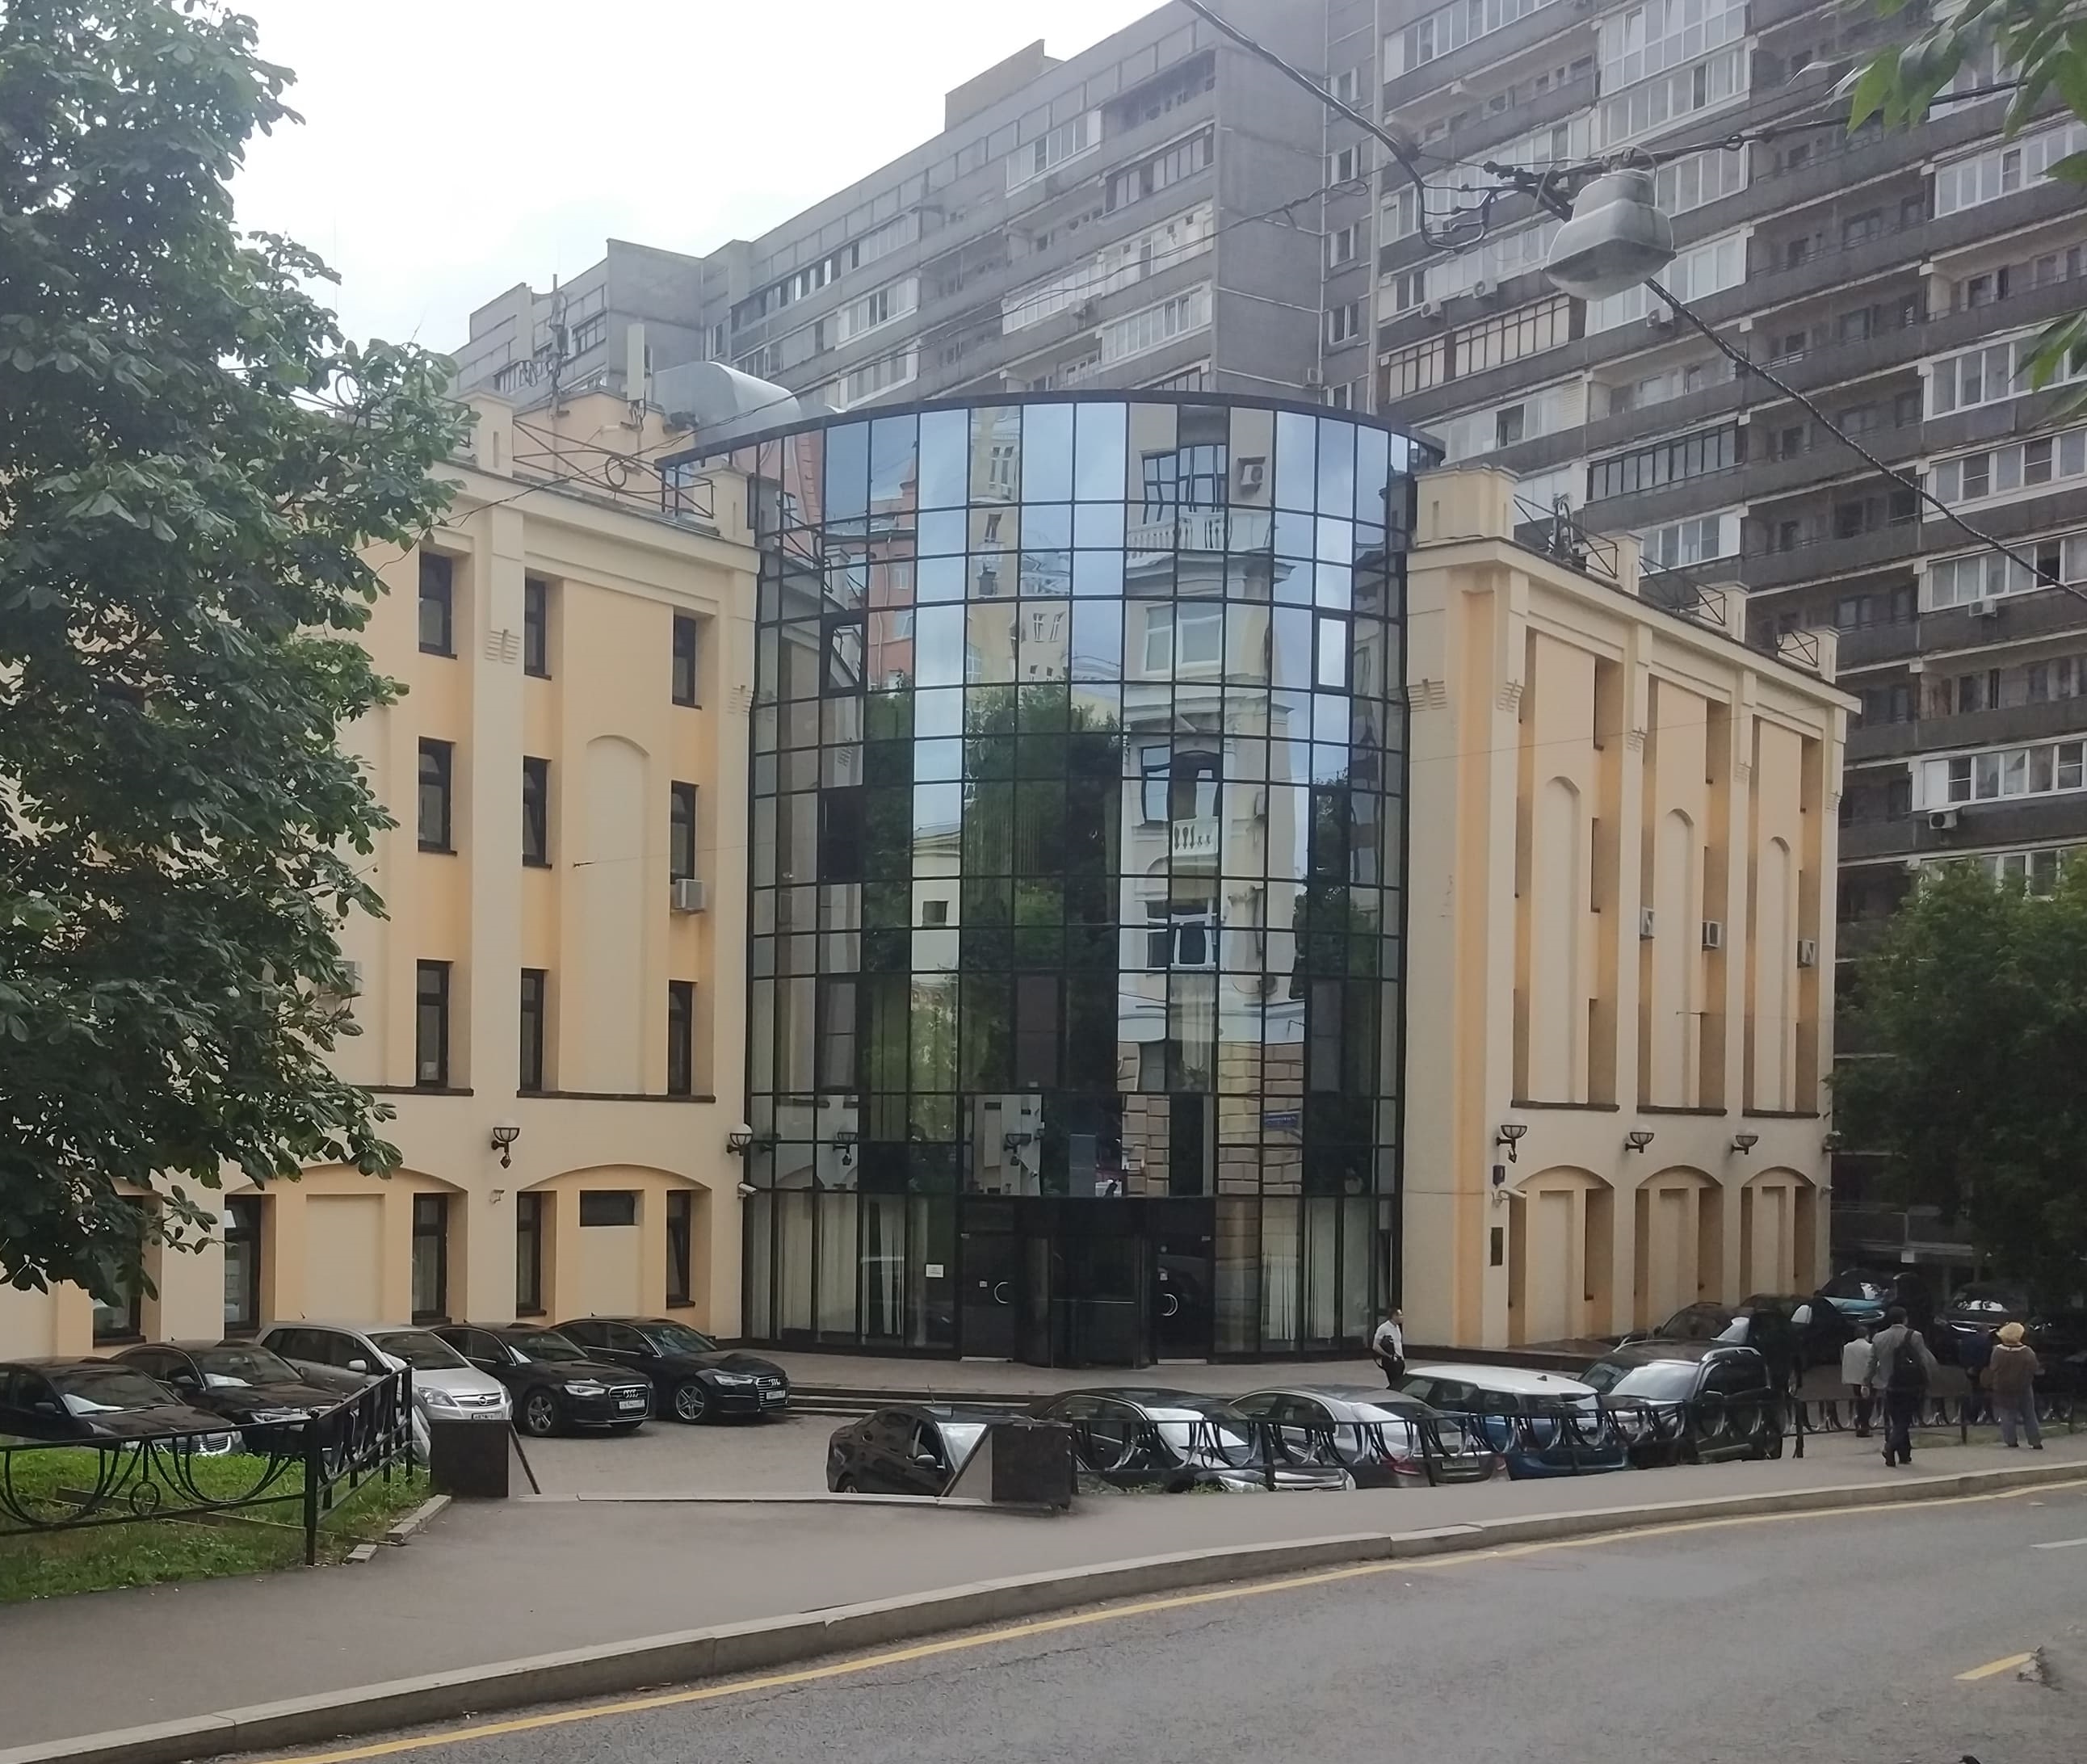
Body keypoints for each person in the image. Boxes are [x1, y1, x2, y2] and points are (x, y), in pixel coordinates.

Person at [1870, 1304, 1939, 1467]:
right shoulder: (1915, 1336)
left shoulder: (1878, 1337)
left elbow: (1871, 1362)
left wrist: (1866, 1381)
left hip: (1888, 1385)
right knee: (1905, 1420)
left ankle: (1904, 1454)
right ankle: (1890, 1447)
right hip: (1910, 1384)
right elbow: (1923, 1360)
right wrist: (1928, 1380)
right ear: (1905, 1319)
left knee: (1898, 1420)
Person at [1986, 1321, 2043, 1451]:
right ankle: (2035, 1441)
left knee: (2007, 1413)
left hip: (2002, 1387)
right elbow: (2035, 1368)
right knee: (2029, 1414)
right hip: (2023, 1386)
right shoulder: (2027, 1352)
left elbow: (1993, 1367)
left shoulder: (1997, 1351)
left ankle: (2011, 1441)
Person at [1841, 1324, 1876, 1438]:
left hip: (1854, 1378)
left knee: (1859, 1401)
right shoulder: (1870, 1347)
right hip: (1868, 1380)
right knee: (1868, 1403)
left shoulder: (1848, 1347)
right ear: (1867, 1335)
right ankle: (1864, 1425)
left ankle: (1860, 1421)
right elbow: (1873, 1363)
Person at [1371, 1308, 1406, 1389]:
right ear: (1394, 1316)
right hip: (1390, 1361)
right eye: (1400, 1315)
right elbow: (1375, 1346)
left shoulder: (1397, 1327)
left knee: (1399, 1383)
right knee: (1395, 1383)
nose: (1402, 1317)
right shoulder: (1384, 1328)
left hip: (1400, 1360)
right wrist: (1389, 1355)